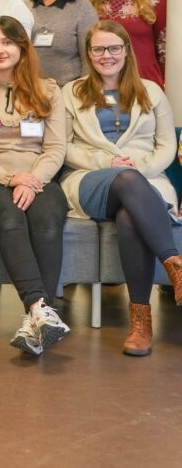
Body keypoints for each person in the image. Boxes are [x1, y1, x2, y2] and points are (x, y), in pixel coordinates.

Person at [60, 20, 182, 356]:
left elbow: (166, 145)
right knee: (125, 181)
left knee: (130, 217)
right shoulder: (70, 92)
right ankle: (174, 261)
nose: (106, 55)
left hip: (146, 179)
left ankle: (141, 323)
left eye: (114, 47)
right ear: (88, 53)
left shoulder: (151, 91)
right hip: (88, 179)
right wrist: (105, 164)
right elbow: (63, 146)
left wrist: (140, 169)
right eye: (98, 48)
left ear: (126, 50)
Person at [0, 16, 70, 357]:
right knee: (10, 220)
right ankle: (41, 310)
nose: (0, 50)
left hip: (40, 176)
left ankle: (36, 319)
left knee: (47, 224)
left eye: (7, 42)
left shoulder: (48, 89)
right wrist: (10, 178)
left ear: (22, 47)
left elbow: (56, 148)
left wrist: (34, 179)